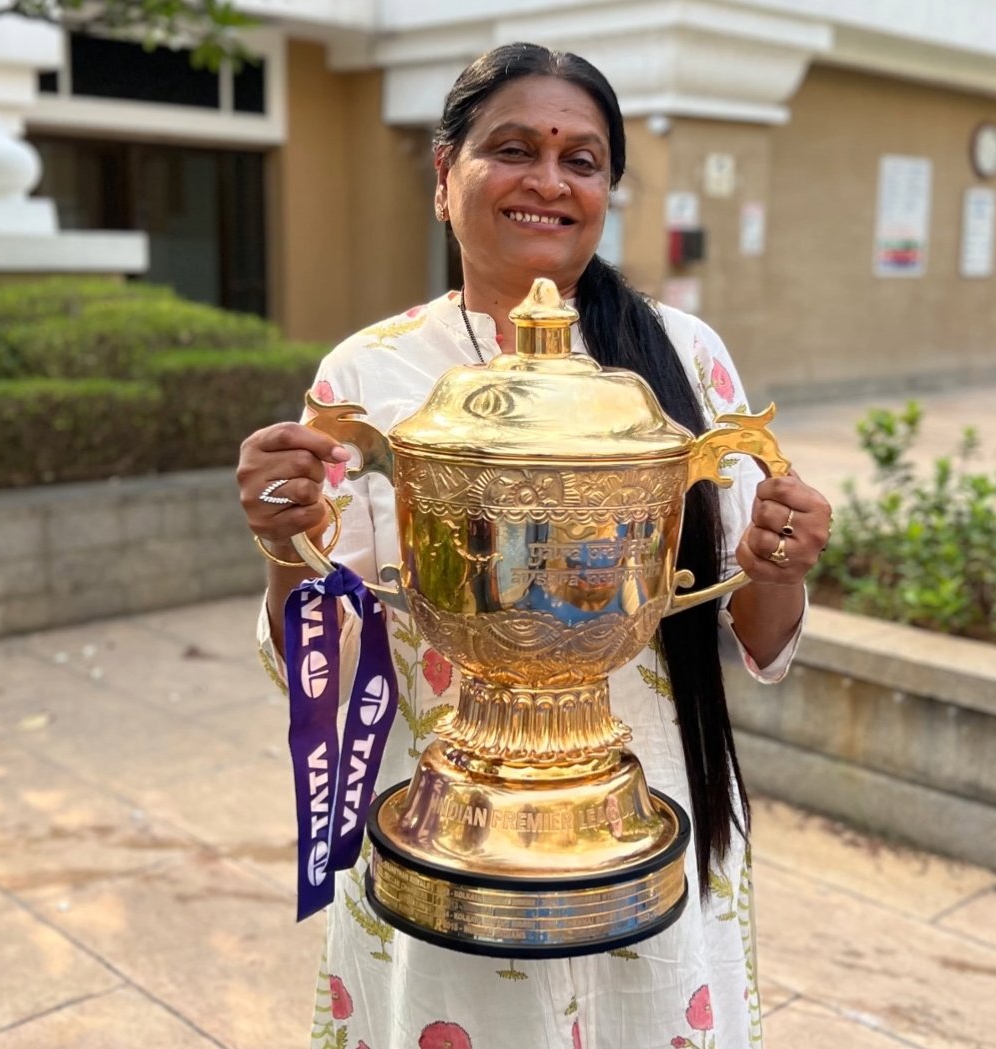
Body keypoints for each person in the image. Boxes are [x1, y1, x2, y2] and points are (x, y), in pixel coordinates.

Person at [236, 41, 832, 1049]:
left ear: (607, 189)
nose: (549, 180)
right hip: (451, 822)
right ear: (443, 173)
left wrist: (779, 563)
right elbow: (326, 666)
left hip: (645, 804)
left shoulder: (681, 356)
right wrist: (285, 543)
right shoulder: (371, 375)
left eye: (583, 159)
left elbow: (756, 634)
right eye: (513, 148)